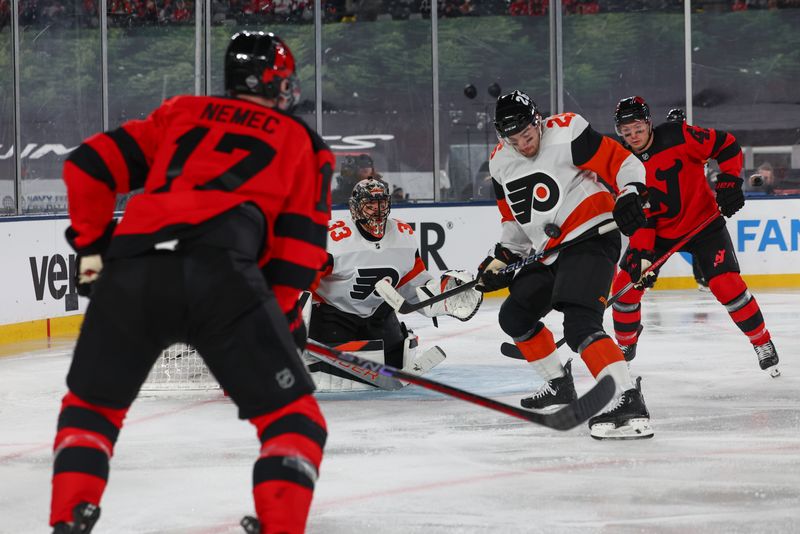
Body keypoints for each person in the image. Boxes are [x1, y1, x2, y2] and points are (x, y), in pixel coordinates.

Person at [49, 31, 333, 534]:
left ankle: (69, 518)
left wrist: (94, 257)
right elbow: (298, 252)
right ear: (275, 83)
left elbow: (87, 167)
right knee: (295, 423)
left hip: (132, 269)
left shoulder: (181, 111)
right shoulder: (302, 141)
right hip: (222, 277)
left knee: (91, 411)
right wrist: (281, 317)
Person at [478, 89, 652, 440]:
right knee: (514, 316)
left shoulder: (568, 131)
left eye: (528, 134)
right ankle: (560, 384)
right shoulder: (500, 163)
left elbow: (624, 163)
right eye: (515, 138)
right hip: (549, 251)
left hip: (591, 236)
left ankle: (628, 397)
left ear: (538, 121)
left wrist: (631, 191)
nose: (524, 144)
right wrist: (500, 259)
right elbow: (514, 223)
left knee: (580, 324)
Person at [610, 96, 780, 377]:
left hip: (704, 225)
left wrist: (729, 180)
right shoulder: (622, 163)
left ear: (649, 124)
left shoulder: (679, 134)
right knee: (625, 289)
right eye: (625, 132)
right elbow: (640, 215)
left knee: (727, 285)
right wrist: (641, 255)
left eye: (638, 129)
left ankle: (761, 341)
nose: (633, 137)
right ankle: (625, 346)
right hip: (657, 233)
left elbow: (726, 145)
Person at [308, 178, 482, 390]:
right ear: (355, 208)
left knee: (395, 359)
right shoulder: (333, 237)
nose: (377, 211)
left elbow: (413, 284)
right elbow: (303, 281)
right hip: (333, 313)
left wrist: (443, 294)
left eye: (381, 204)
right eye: (370, 205)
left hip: (377, 313)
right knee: (330, 368)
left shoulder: (403, 235)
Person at [665, 107, 709, 291]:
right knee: (656, 243)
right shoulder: (661, 143)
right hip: (670, 203)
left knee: (698, 243)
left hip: (688, 204)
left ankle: (701, 278)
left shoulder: (692, 142)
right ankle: (647, 278)